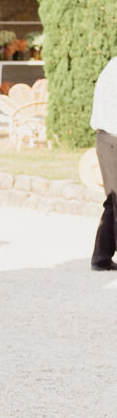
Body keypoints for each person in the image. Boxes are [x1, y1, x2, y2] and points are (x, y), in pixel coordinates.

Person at [91, 56, 117, 271]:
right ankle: (101, 257)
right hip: (115, 138)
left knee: (112, 199)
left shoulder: (111, 66)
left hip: (105, 138)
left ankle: (101, 256)